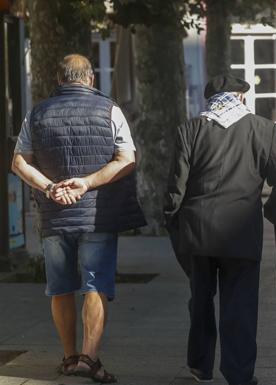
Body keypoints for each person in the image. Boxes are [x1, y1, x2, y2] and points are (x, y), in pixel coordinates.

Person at [11, 54, 145, 383]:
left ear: (59, 78)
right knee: (95, 286)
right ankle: (90, 359)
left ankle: (69, 357)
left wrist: (51, 187)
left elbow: (18, 163)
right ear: (90, 79)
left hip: (54, 215)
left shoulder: (37, 113)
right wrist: (86, 184)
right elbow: (126, 161)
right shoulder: (111, 110)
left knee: (60, 289)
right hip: (97, 216)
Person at [164, 74, 276, 385]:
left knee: (201, 299)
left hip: (198, 232)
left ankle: (200, 365)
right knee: (240, 304)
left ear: (210, 100)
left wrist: (174, 225)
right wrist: (273, 211)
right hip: (242, 232)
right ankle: (239, 373)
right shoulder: (264, 130)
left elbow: (174, 190)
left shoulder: (190, 130)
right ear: (242, 98)